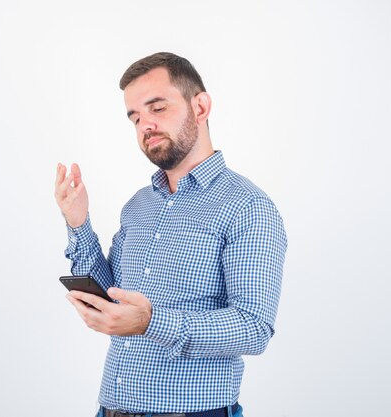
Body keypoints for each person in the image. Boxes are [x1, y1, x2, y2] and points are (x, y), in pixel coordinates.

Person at [54, 52, 287, 417]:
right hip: (111, 409)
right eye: (135, 118)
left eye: (157, 108)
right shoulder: (138, 205)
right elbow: (115, 295)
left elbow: (253, 327)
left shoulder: (248, 207)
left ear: (201, 106)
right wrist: (77, 222)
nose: (145, 125)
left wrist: (151, 322)